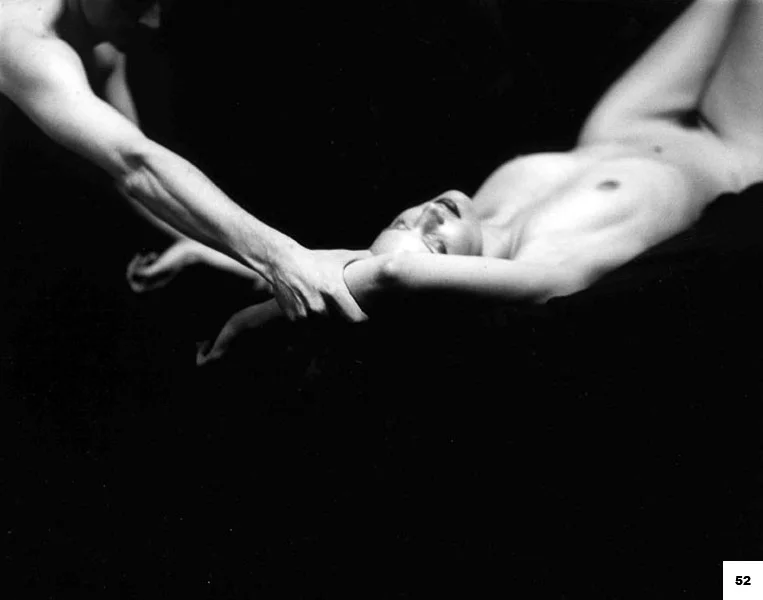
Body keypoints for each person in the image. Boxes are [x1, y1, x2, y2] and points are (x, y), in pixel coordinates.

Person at [127, 0, 763, 364]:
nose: (424, 218)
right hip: (733, 144)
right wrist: (257, 320)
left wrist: (215, 255)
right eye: (435, 244)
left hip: (618, 125)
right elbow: (393, 273)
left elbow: (346, 270)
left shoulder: (483, 218)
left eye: (401, 222)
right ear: (453, 279)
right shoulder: (547, 267)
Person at [0, 0, 367, 323]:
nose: (153, 21)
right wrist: (282, 259)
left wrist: (228, 258)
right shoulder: (26, 42)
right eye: (135, 2)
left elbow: (134, 176)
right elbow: (136, 166)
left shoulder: (100, 40)